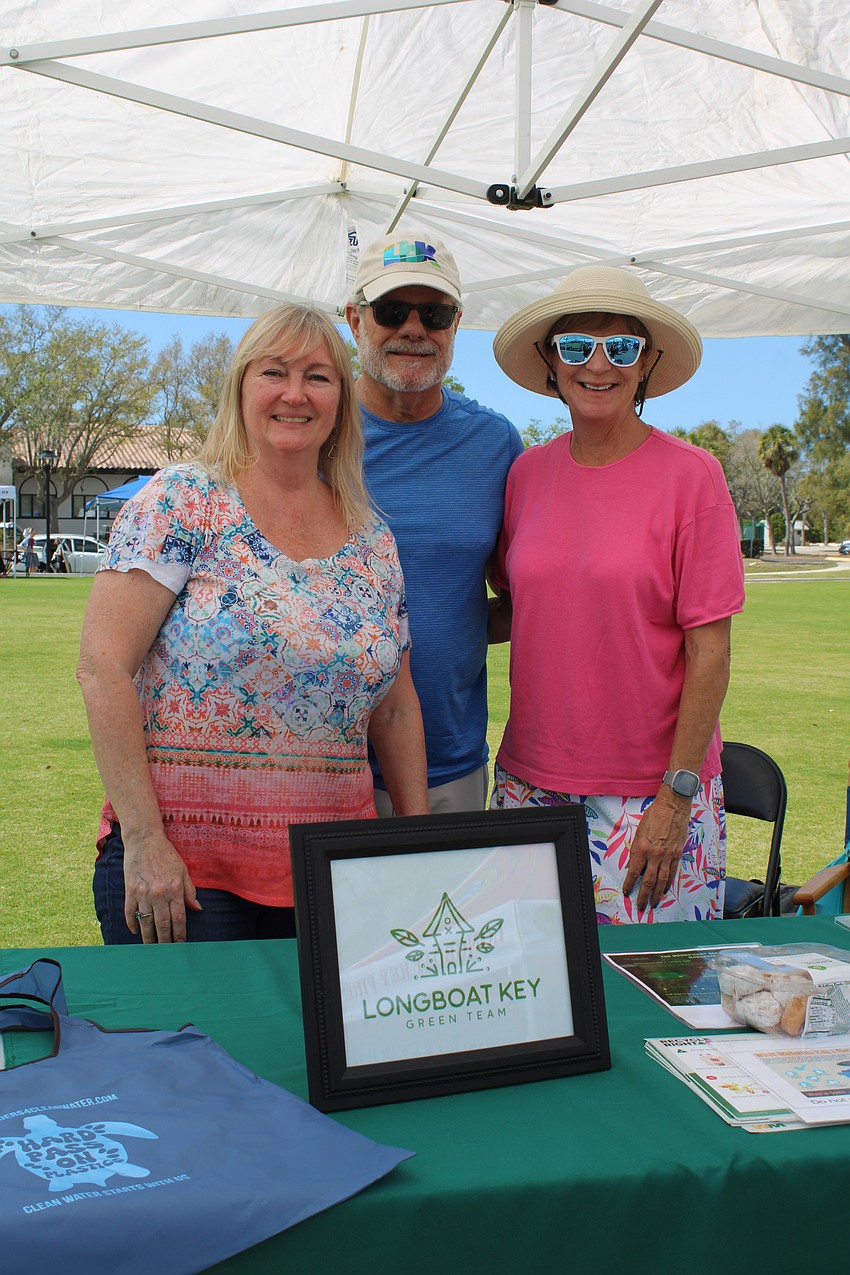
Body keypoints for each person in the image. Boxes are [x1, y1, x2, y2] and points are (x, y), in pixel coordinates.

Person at [77, 304, 428, 945]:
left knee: (314, 1047)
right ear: (241, 386)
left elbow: (397, 710)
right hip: (186, 878)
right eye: (275, 371)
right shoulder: (182, 501)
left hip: (333, 876)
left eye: (318, 377)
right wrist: (146, 840)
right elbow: (103, 667)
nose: (294, 393)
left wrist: (421, 841)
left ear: (342, 401)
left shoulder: (374, 539)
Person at [489, 265, 745, 923]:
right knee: (530, 992)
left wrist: (676, 796)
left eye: (621, 348)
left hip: (650, 798)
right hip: (528, 786)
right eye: (576, 345)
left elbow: (709, 654)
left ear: (646, 364)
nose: (597, 364)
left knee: (652, 994)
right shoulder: (525, 474)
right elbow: (523, 608)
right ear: (551, 360)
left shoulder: (693, 477)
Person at [346, 232, 524, 815]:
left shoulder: (494, 444)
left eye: (436, 313)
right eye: (392, 311)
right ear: (355, 320)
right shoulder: (311, 434)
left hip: (453, 764)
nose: (414, 329)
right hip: (324, 762)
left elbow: (522, 597)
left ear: (456, 324)